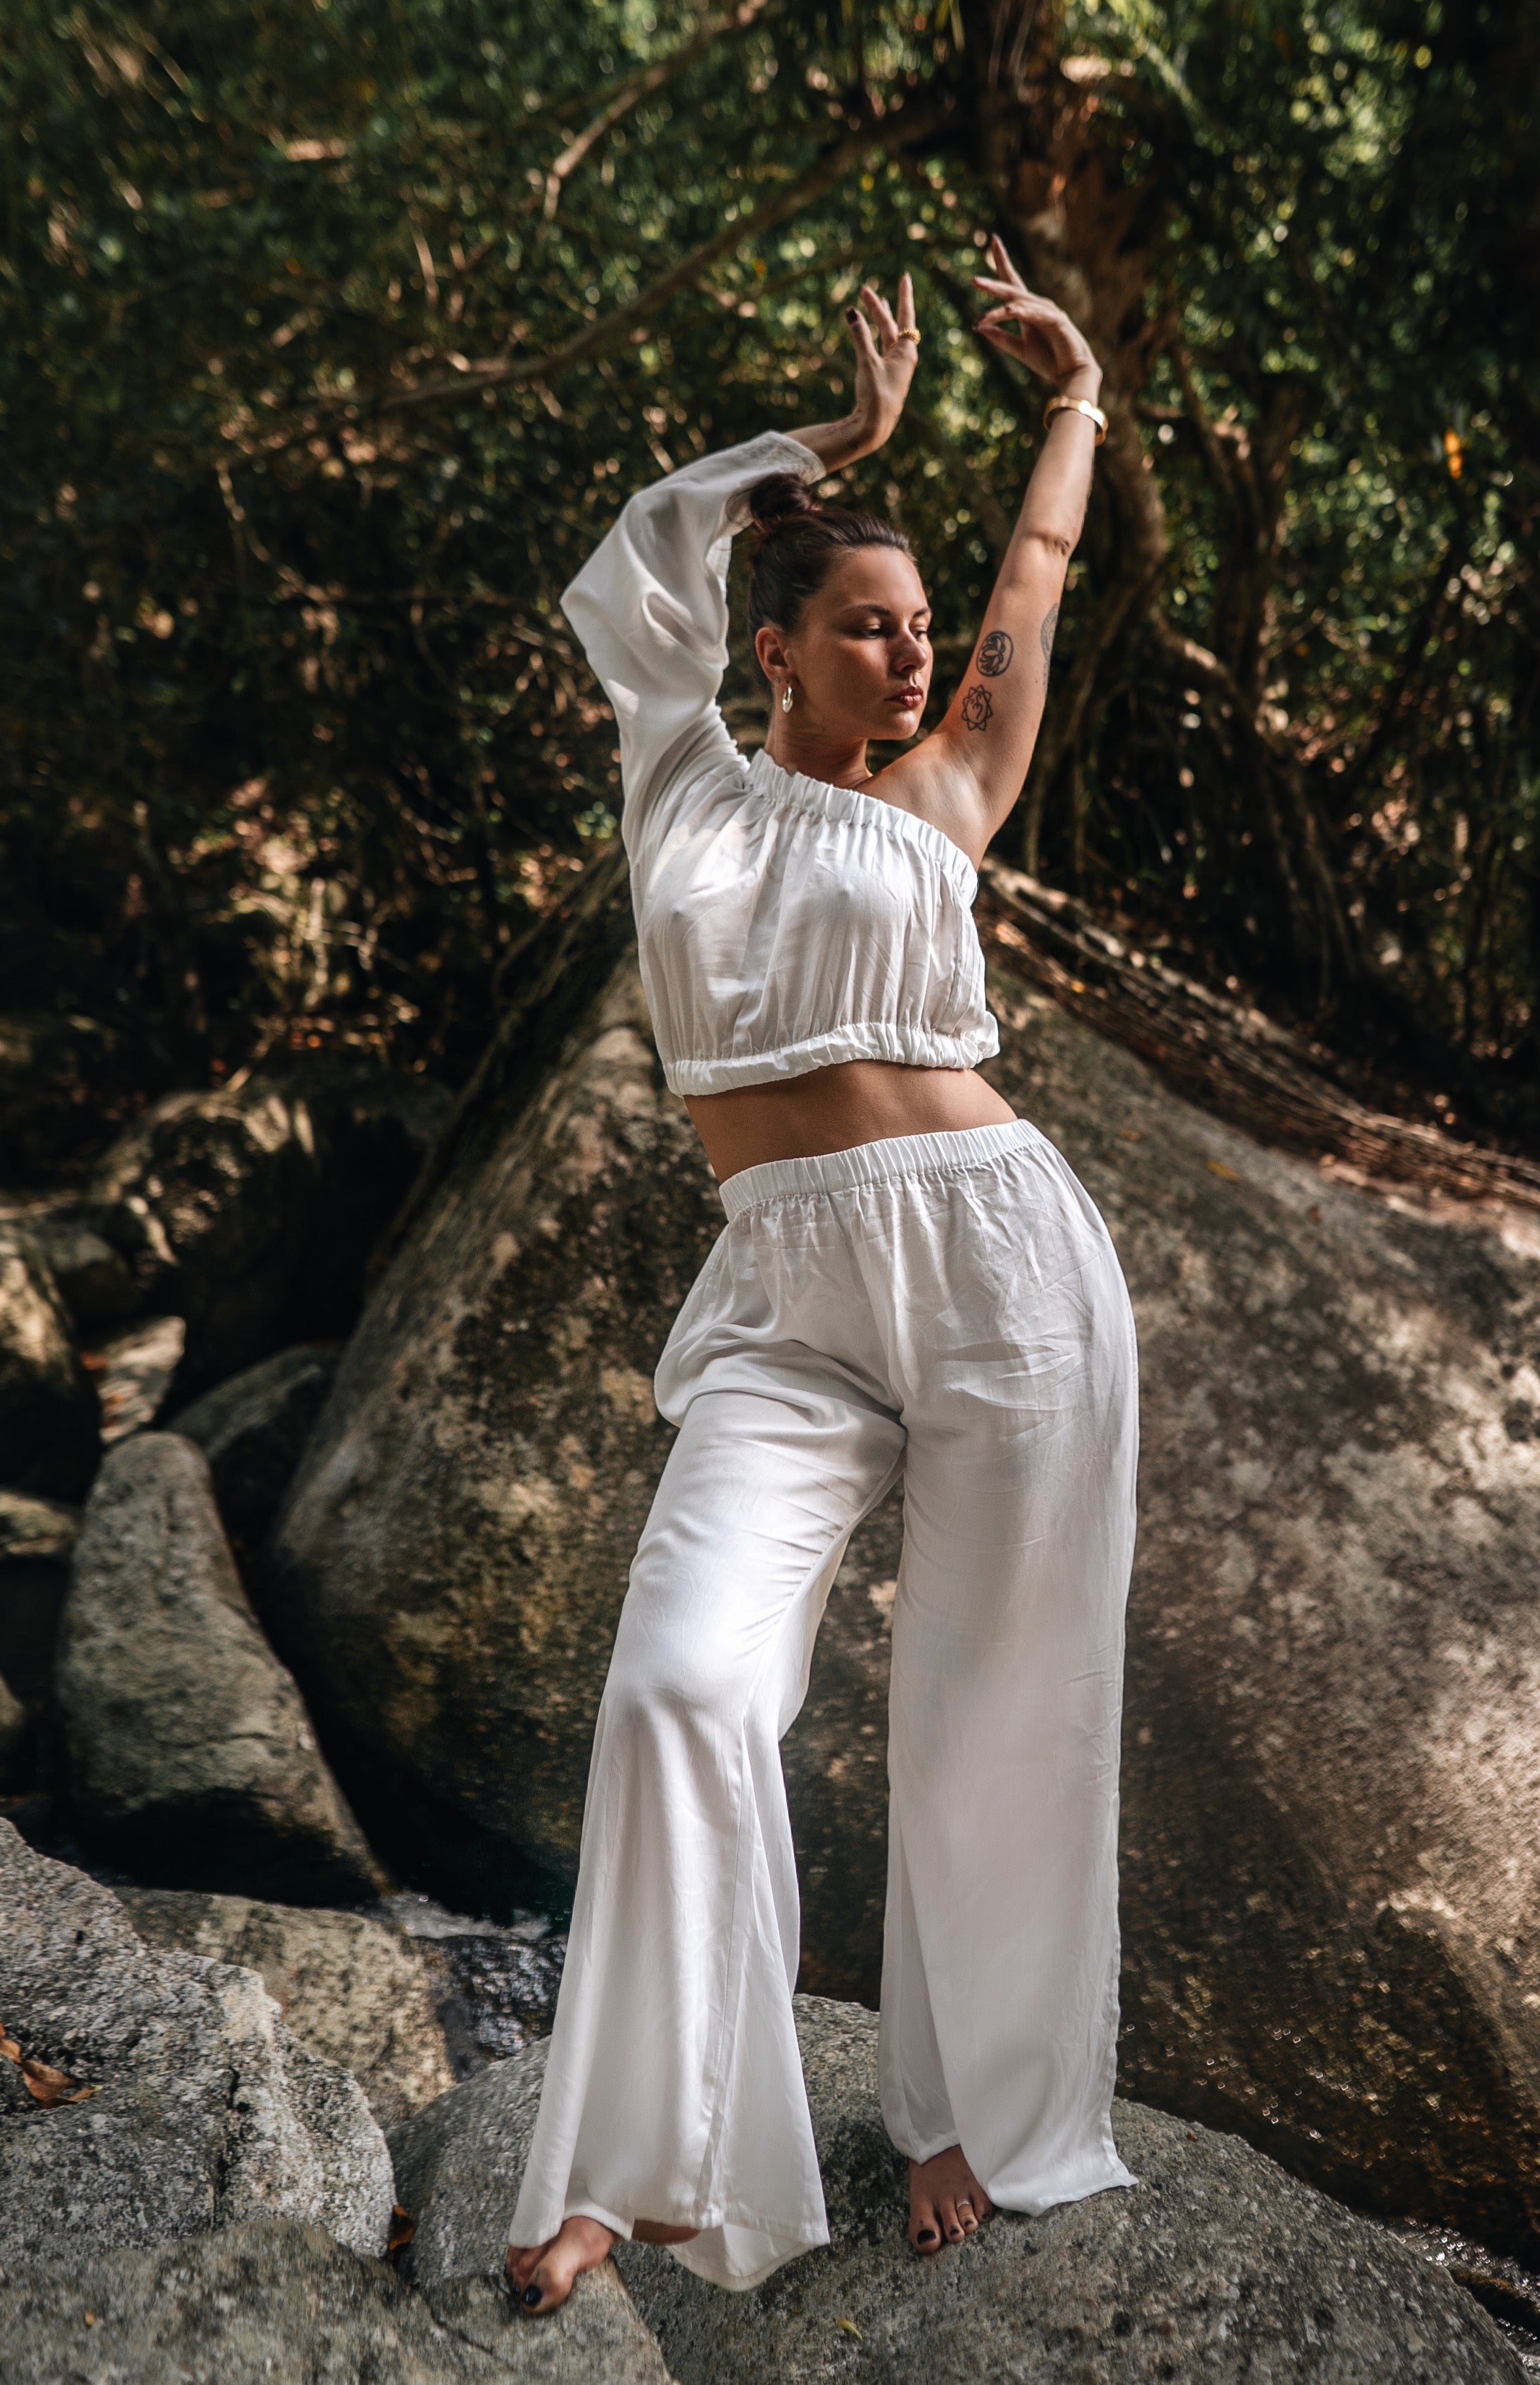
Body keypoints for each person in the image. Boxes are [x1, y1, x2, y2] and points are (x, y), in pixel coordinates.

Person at [505, 238, 1139, 2309]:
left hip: (1004, 1268)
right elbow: (636, 559)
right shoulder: (678, 784)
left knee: (994, 1704)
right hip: (788, 1303)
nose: (911, 653)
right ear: (768, 654)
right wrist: (832, 442)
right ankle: (632, 2165)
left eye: (919, 631)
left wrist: (1076, 399)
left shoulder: (946, 798)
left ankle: (966, 2112)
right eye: (867, 625)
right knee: (683, 1680)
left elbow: (1034, 583)